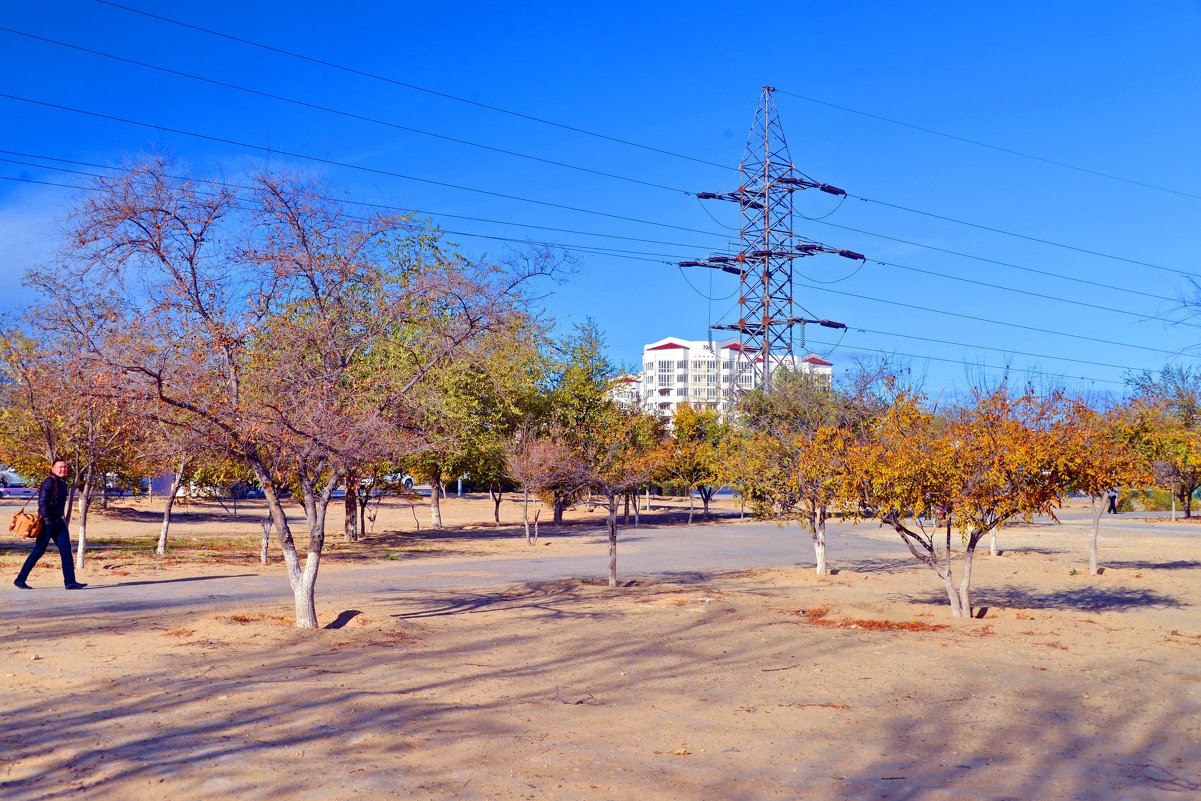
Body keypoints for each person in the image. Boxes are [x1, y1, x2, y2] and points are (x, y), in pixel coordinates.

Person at [13, 459, 87, 590]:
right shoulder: (49, 481)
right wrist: (48, 520)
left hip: (59, 523)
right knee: (38, 551)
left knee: (66, 551)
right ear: (53, 469)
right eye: (59, 467)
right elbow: (42, 503)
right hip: (47, 524)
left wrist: (59, 519)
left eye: (64, 467)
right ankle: (20, 579)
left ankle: (70, 582)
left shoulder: (63, 483)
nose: (62, 469)